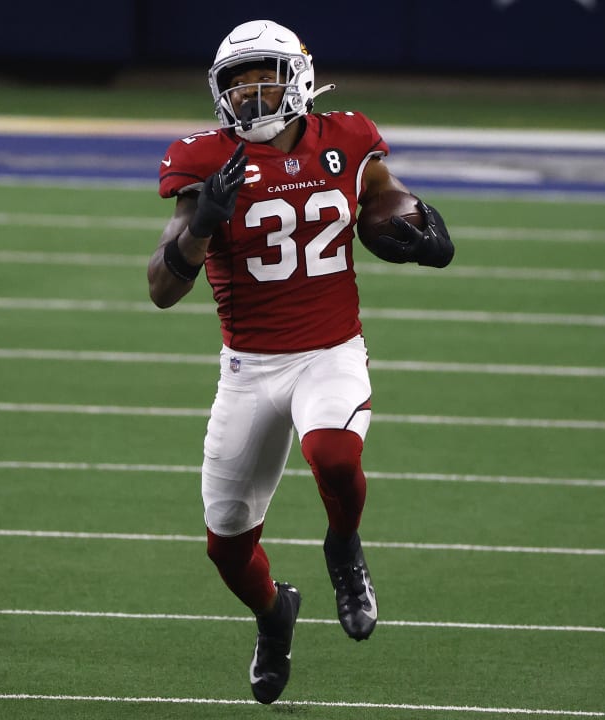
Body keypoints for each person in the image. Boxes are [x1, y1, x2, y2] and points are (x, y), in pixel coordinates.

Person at [147, 19, 454, 704]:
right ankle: (273, 612)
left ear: (300, 79)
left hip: (329, 352)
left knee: (336, 455)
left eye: (265, 77)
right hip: (249, 369)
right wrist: (200, 227)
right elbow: (162, 290)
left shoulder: (347, 139)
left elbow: (387, 197)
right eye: (238, 82)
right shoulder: (205, 161)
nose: (252, 94)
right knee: (226, 546)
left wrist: (423, 228)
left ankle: (343, 546)